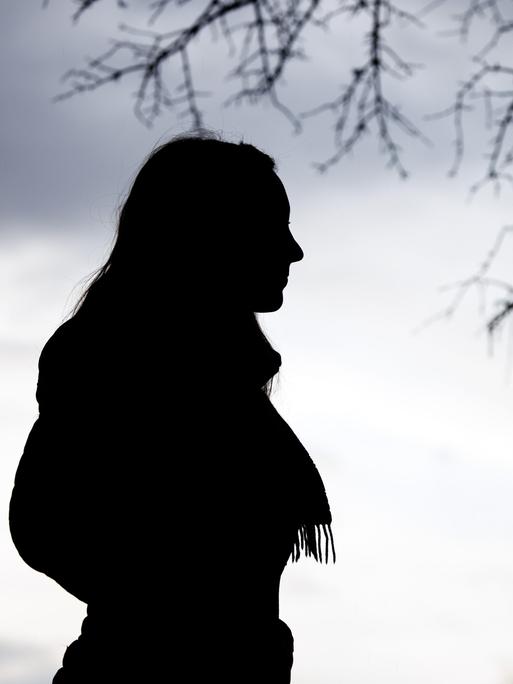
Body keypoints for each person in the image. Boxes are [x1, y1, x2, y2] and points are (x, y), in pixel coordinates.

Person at [8, 132, 336, 683]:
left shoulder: (225, 382)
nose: (293, 249)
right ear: (211, 233)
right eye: (273, 226)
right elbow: (43, 525)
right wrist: (181, 615)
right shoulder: (117, 357)